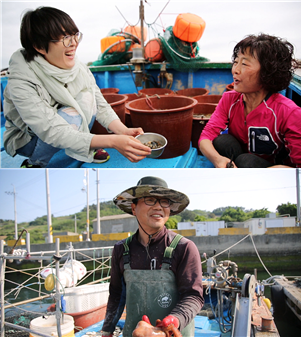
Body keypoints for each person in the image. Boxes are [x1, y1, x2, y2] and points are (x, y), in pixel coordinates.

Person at [3, 7, 151, 168]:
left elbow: (99, 104)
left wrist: (123, 131)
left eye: (75, 36)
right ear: (39, 46)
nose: (74, 43)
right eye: (65, 38)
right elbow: (50, 129)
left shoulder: (79, 68)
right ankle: (36, 162)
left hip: (66, 123)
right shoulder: (21, 78)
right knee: (72, 116)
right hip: (30, 138)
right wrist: (112, 141)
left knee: (88, 98)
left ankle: (83, 146)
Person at [101, 176, 204, 337]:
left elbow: (193, 296)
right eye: (150, 200)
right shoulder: (121, 249)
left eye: (164, 202)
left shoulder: (184, 247)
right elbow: (116, 294)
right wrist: (107, 330)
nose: (158, 207)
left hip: (174, 333)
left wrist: (173, 321)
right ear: (134, 208)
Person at [198, 33, 301, 168]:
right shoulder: (229, 99)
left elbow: (298, 166)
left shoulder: (289, 112)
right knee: (222, 141)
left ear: (267, 72)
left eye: (245, 64)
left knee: (246, 162)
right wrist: (218, 160)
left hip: (272, 167)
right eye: (235, 62)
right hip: (242, 157)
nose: (235, 70)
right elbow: (205, 137)